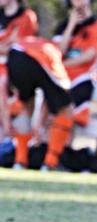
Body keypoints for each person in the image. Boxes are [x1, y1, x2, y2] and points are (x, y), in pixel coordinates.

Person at [5, 36, 76, 170]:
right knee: (66, 110)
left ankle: (20, 161)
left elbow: (47, 96)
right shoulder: (52, 51)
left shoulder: (33, 41)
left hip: (15, 56)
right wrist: (40, 123)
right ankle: (51, 162)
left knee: (26, 106)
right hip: (34, 58)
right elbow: (61, 94)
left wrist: (39, 123)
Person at [49, 0, 97, 162]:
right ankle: (56, 154)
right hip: (61, 78)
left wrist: (62, 63)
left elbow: (91, 54)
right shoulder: (63, 26)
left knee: (72, 103)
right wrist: (71, 25)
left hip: (83, 77)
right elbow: (58, 52)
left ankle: (61, 155)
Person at [0, 0, 37, 167]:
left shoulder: (27, 17)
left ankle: (21, 157)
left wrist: (7, 45)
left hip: (19, 70)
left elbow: (18, 47)